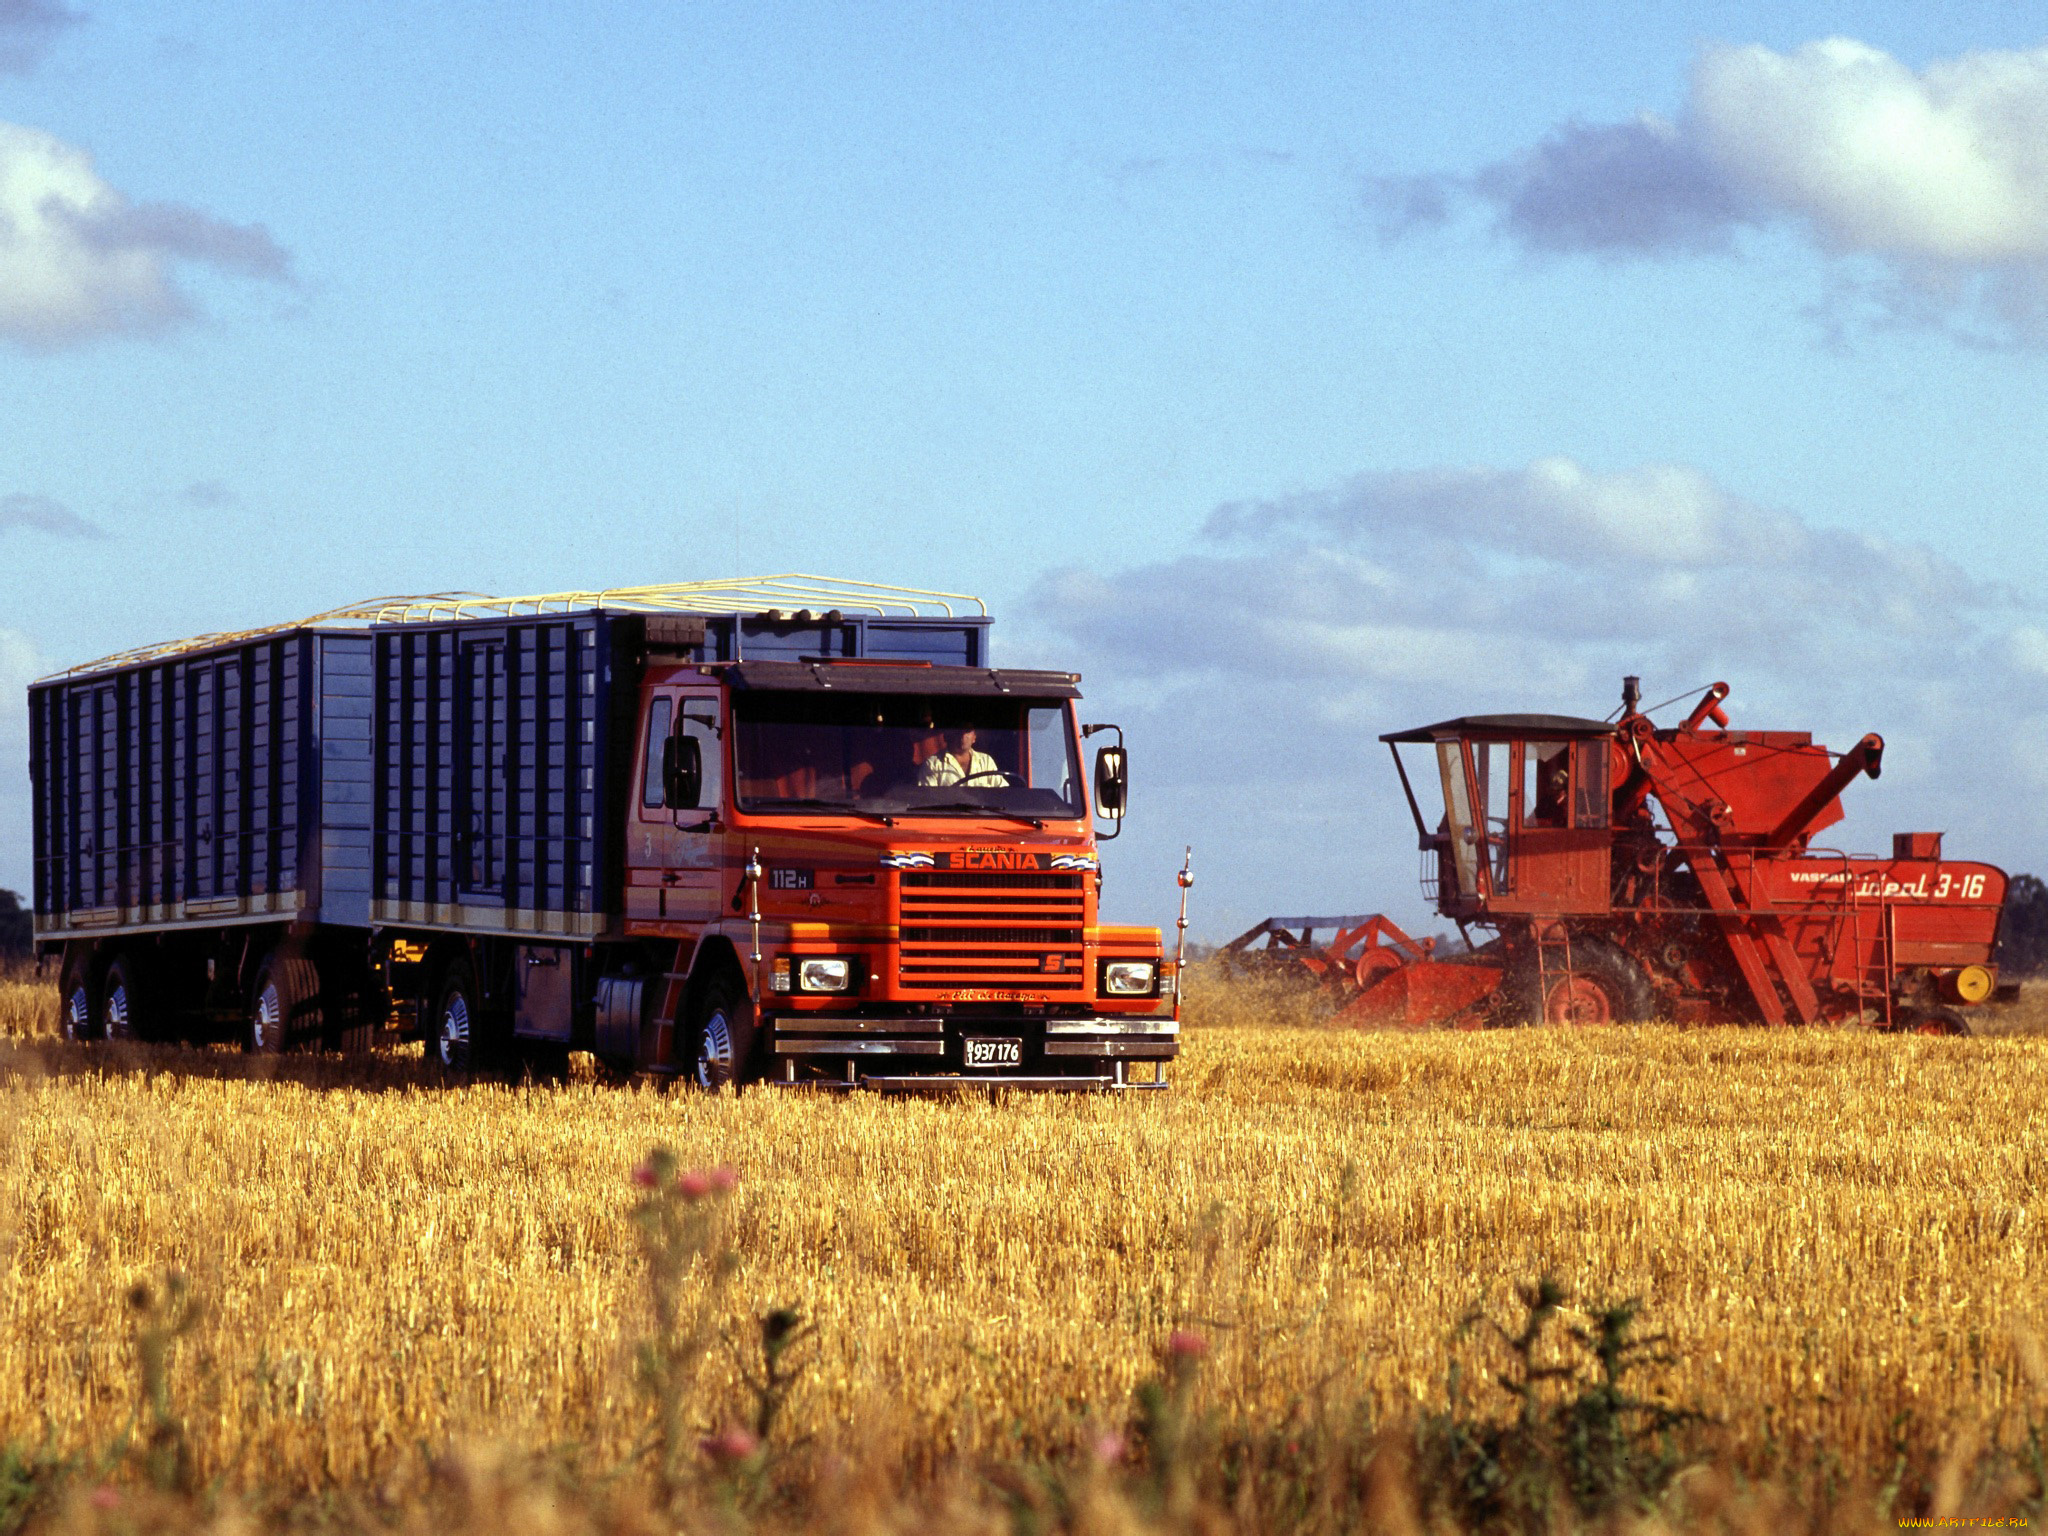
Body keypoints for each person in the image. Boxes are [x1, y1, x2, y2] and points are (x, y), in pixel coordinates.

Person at [919, 726, 1008, 787]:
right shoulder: (933, 764)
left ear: (974, 737)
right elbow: (927, 800)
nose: (962, 735)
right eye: (957, 730)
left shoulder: (986, 761)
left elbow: (1002, 793)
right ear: (946, 736)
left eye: (967, 731)